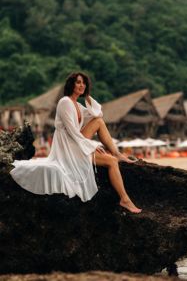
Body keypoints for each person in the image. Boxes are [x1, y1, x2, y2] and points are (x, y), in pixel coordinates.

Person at [10, 72, 142, 213]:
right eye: (78, 82)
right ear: (71, 84)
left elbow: (98, 114)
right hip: (68, 147)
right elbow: (72, 132)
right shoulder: (65, 102)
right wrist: (92, 145)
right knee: (111, 161)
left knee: (99, 122)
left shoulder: (78, 106)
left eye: (84, 83)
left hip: (76, 143)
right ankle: (124, 199)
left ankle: (118, 153)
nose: (82, 85)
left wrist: (87, 97)